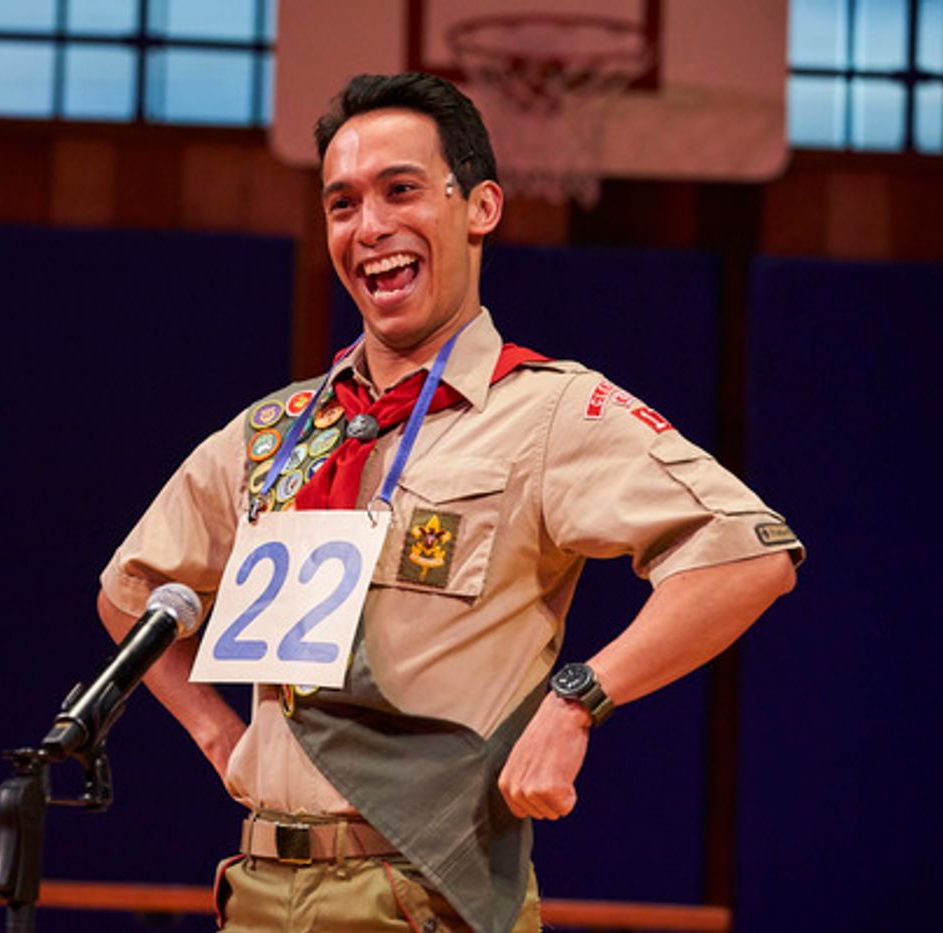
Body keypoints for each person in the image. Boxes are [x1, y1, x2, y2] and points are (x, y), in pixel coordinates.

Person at [96, 72, 802, 933]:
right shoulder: (276, 431)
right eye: (342, 203)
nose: (371, 227)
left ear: (480, 208)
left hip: (428, 895)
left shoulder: (546, 412)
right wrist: (221, 740)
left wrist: (580, 698)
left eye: (401, 190)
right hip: (257, 893)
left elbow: (747, 556)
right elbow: (132, 592)